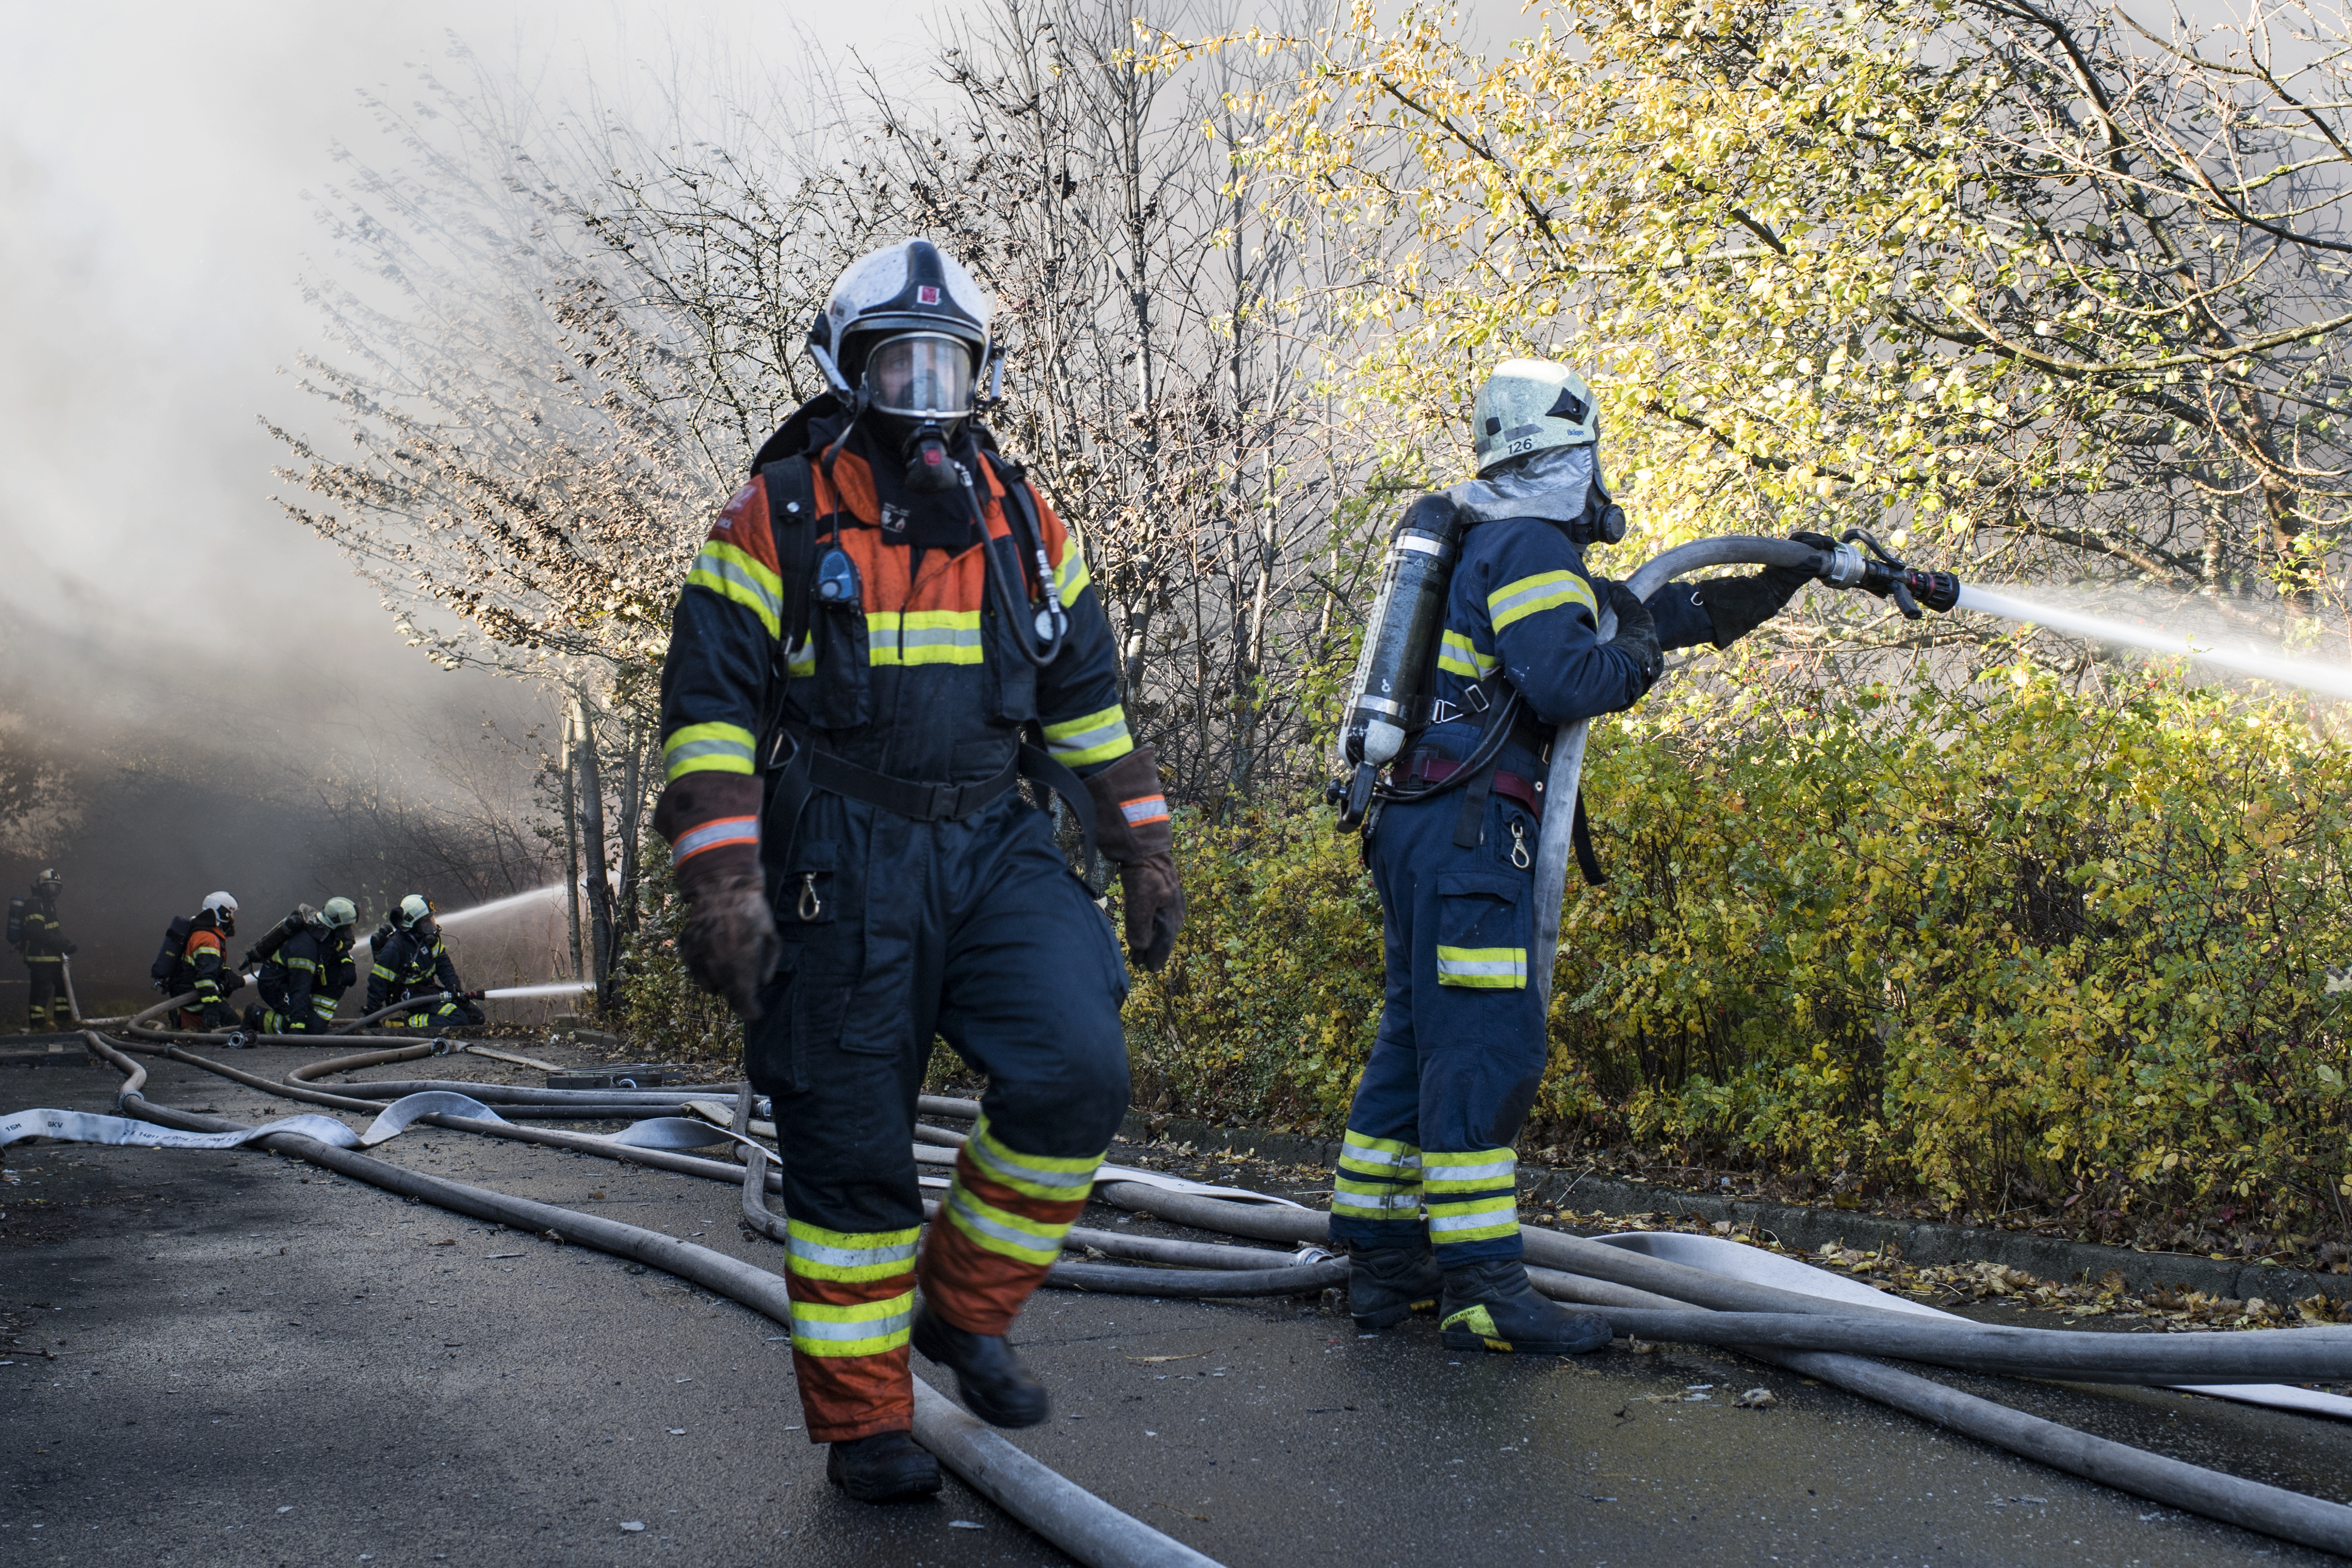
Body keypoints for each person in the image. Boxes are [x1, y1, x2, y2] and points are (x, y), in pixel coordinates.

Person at [651, 238, 1185, 1504]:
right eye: (900, 362)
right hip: (840, 844)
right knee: (851, 1143)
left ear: (979, 375)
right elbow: (709, 714)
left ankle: (964, 1305)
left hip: (992, 840)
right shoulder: (775, 513)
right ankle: (866, 1420)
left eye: (947, 365)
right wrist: (725, 883)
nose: (925, 391)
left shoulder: (1026, 518)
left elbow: (1087, 709)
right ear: (850, 370)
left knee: (1075, 1061)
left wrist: (1140, 841)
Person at [1332, 359, 1826, 1356]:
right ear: (1574, 455)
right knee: (1480, 1045)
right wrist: (1635, 664)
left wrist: (1777, 580)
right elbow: (1567, 674)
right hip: (1470, 838)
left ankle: (1382, 1264)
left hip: (1414, 825)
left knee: (1415, 1036)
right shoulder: (1527, 547)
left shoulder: (1488, 542)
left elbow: (1654, 611)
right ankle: (1480, 1289)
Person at [364, 895, 484, 1030]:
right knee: (457, 1019)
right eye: (426, 922)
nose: (431, 925)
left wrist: (455, 990)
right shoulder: (395, 949)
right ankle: (400, 1024)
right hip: (412, 997)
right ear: (412, 923)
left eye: (431, 920)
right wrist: (372, 1018)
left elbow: (445, 967)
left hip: (429, 991)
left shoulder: (430, 941)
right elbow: (378, 983)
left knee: (476, 1017)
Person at [244, 898, 359, 1035]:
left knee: (316, 1027)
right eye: (347, 928)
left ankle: (318, 1023)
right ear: (335, 926)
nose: (350, 933)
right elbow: (300, 986)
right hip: (276, 985)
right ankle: (256, 1016)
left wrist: (347, 961)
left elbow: (335, 948)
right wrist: (297, 1024)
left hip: (298, 983)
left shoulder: (325, 936)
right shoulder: (305, 947)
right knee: (309, 1029)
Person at [174, 891, 243, 1033]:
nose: (233, 920)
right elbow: (205, 977)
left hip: (192, 995)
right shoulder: (208, 938)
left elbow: (208, 966)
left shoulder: (202, 932)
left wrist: (226, 973)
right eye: (232, 914)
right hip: (195, 999)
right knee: (236, 1027)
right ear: (224, 914)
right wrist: (212, 1008)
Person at [18, 869, 74, 1031]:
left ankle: (63, 1021)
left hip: (52, 957)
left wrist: (66, 943)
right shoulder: (35, 904)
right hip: (39, 957)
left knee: (63, 985)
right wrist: (61, 945)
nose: (54, 891)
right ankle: (38, 1024)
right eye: (50, 887)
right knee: (42, 989)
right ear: (42, 887)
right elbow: (38, 933)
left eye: (57, 888)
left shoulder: (49, 906)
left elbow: (55, 931)